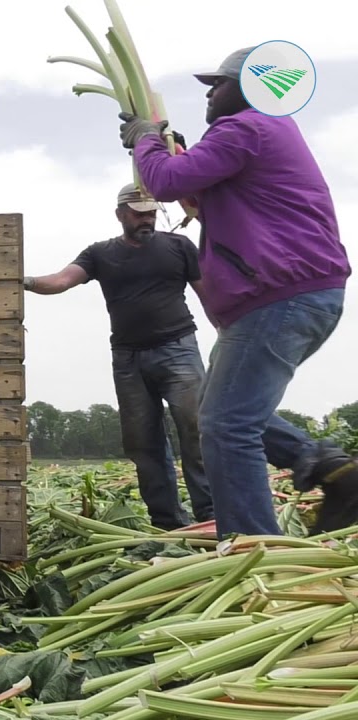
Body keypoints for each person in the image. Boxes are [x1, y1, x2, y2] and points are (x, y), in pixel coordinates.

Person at [120, 46, 356, 537]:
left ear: (250, 88)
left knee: (226, 426)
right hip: (297, 293)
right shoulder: (263, 133)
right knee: (223, 410)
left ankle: (252, 546)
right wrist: (166, 150)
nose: (209, 94)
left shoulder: (247, 127)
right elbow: (196, 194)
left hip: (280, 295)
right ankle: (335, 471)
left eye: (218, 84)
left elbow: (165, 183)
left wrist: (146, 140)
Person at [22, 184, 214, 530]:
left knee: (196, 430)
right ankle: (167, 522)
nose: (147, 219)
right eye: (139, 214)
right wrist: (24, 281)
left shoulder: (179, 246)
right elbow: (62, 280)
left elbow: (208, 293)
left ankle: (211, 514)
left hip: (179, 349)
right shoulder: (100, 253)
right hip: (128, 360)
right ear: (120, 214)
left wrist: (228, 332)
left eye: (151, 213)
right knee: (143, 443)